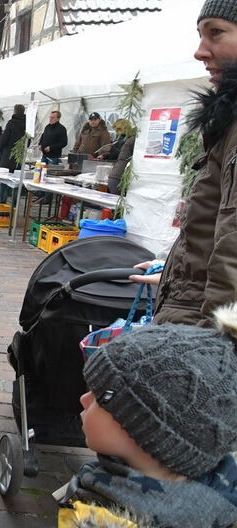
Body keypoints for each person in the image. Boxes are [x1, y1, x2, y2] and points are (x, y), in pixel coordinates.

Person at [58, 314, 237, 528]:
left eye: (100, 396)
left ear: (149, 434)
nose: (84, 400)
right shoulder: (218, 494)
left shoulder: (111, 519)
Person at [129, 0, 237, 326]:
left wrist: (214, 352)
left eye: (216, 33)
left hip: (204, 336)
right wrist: (175, 272)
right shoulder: (228, 123)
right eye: (201, 35)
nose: (200, 51)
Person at [0, 104, 26, 203]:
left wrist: (1, 147)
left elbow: (4, 138)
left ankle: (2, 202)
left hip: (8, 155)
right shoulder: (27, 124)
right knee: (17, 180)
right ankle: (14, 204)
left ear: (14, 111)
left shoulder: (11, 123)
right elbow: (29, 140)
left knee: (4, 179)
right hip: (20, 155)